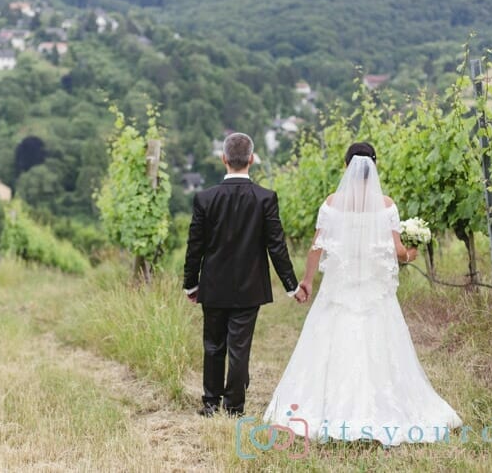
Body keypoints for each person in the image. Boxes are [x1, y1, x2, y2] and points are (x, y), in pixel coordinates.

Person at [263, 142, 462, 445]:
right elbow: (397, 251)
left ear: (346, 168)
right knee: (381, 346)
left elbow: (316, 247)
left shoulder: (332, 203)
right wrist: (411, 254)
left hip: (339, 290)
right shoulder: (386, 205)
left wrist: (307, 282)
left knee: (330, 344)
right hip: (374, 292)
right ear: (374, 167)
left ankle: (324, 410)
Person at [183, 132, 302, 417]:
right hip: (250, 287)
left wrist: (190, 284)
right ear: (251, 159)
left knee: (213, 345)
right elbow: (276, 246)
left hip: (213, 285)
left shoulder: (204, 198)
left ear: (224, 159)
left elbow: (194, 247)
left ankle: (210, 404)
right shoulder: (265, 198)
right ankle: (234, 407)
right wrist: (291, 285)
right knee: (239, 347)